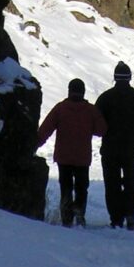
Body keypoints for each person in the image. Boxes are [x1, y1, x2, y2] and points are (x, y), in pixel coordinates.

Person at [37, 79, 107, 227]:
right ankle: (79, 211)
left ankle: (66, 219)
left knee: (66, 188)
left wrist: (35, 145)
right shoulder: (90, 110)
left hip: (64, 157)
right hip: (82, 157)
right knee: (82, 188)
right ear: (83, 92)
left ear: (69, 90)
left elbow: (45, 129)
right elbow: (102, 130)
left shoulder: (60, 108)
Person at [95, 62, 134, 230]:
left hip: (110, 149)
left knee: (111, 183)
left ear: (114, 77)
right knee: (130, 180)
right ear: (129, 78)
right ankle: (130, 214)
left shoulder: (105, 98)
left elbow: (96, 124)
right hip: (131, 148)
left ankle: (116, 218)